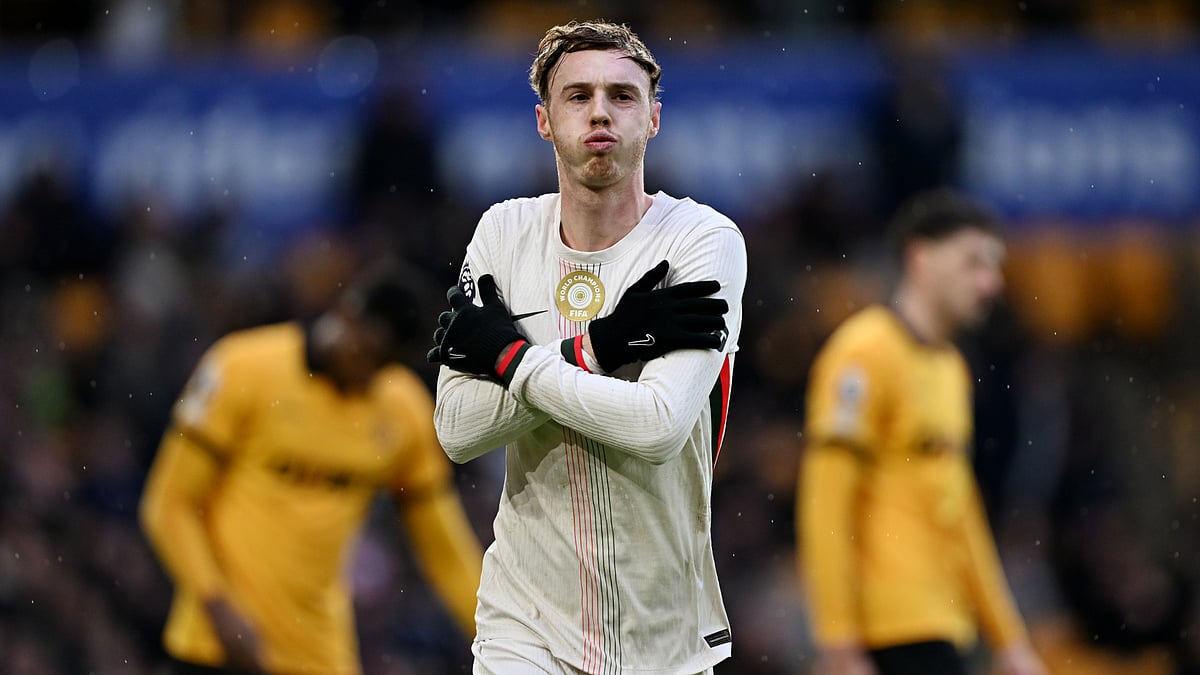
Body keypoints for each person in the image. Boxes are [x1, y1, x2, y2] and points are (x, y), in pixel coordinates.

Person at [426, 20, 746, 675]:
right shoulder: (503, 233)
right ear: (544, 120)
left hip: (666, 629)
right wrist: (596, 348)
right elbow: (457, 429)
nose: (600, 111)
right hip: (526, 623)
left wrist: (513, 361)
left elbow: (657, 425)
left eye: (622, 96)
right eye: (577, 96)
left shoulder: (701, 242)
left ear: (653, 119)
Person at [139, 261, 483, 675]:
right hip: (213, 648)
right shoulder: (243, 367)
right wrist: (216, 606)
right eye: (367, 350)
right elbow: (168, 505)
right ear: (346, 314)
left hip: (318, 656)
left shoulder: (401, 409)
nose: (367, 371)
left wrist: (495, 638)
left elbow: (445, 550)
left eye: (383, 364)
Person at [795, 189, 1048, 675]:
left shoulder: (951, 368)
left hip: (945, 623)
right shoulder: (863, 353)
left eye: (995, 266)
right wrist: (840, 641)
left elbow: (961, 507)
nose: (990, 283)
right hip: (888, 630)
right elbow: (826, 498)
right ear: (921, 257)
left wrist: (1009, 637)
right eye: (974, 262)